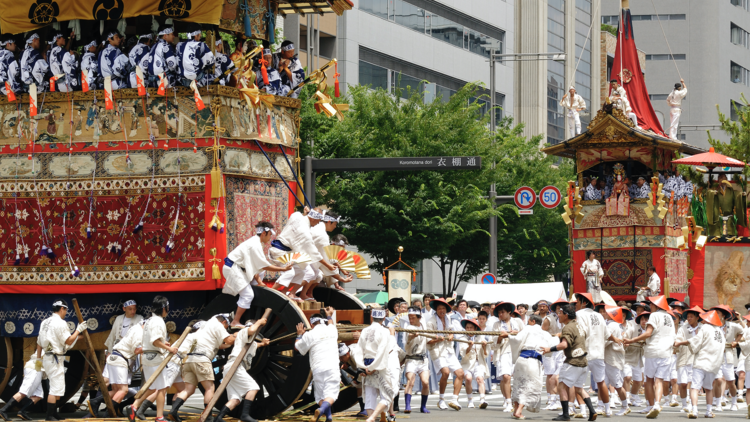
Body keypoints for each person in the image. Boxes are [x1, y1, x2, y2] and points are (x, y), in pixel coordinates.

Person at [223, 222, 293, 326]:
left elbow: (256, 266)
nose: (270, 238)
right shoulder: (254, 245)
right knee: (248, 295)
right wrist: (283, 269)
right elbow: (263, 265)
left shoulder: (255, 242)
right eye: (269, 235)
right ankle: (235, 321)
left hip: (238, 269)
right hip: (233, 268)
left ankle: (255, 287)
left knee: (260, 273)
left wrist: (260, 281)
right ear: (264, 233)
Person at [169, 314, 236, 422]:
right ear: (224, 322)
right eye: (226, 327)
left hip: (190, 360)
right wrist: (238, 335)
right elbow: (228, 340)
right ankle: (207, 416)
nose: (226, 329)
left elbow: (219, 345)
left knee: (188, 389)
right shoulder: (218, 325)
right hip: (202, 360)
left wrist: (229, 344)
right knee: (210, 388)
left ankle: (174, 410)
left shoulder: (205, 326)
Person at [541, 304, 597, 421]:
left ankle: (566, 414)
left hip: (572, 361)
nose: (559, 316)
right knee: (579, 388)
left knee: (562, 386)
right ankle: (592, 411)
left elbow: (564, 345)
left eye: (560, 313)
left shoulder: (567, 328)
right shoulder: (579, 325)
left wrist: (549, 349)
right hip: (583, 361)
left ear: (566, 315)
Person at [623, 295, 677, 418]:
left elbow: (648, 333)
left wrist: (632, 340)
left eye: (651, 304)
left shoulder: (654, 315)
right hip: (666, 353)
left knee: (649, 380)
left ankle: (649, 405)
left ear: (656, 305)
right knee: (659, 380)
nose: (650, 306)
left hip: (653, 351)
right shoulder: (670, 318)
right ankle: (657, 404)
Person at [126, 296, 177, 422]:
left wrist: (164, 344)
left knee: (152, 387)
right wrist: (169, 349)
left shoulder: (149, 320)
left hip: (148, 358)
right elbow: (154, 341)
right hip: (155, 358)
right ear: (164, 308)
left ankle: (134, 406)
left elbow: (153, 340)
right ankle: (159, 417)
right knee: (162, 388)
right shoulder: (158, 321)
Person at [268, 207, 336, 301]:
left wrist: (305, 214)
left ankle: (283, 293)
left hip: (288, 253)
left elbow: (296, 215)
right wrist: (328, 265)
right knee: (290, 272)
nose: (318, 223)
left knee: (302, 271)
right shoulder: (305, 233)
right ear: (313, 218)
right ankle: (271, 292)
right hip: (279, 252)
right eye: (318, 220)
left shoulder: (297, 216)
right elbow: (314, 253)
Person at [38, 300, 86, 421]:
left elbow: (39, 342)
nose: (65, 313)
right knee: (54, 389)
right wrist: (78, 330)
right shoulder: (60, 323)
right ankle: (49, 416)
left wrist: (38, 361)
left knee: (58, 387)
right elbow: (68, 341)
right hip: (54, 358)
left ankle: (54, 413)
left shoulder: (44, 322)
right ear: (62, 309)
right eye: (65, 310)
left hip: (47, 356)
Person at [214, 318, 270, 422]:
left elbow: (255, 345)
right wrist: (259, 322)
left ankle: (219, 418)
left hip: (232, 367)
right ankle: (245, 415)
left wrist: (263, 343)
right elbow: (251, 330)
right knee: (253, 388)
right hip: (236, 366)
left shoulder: (250, 342)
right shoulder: (243, 332)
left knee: (235, 399)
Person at [673, 310, 724, 419]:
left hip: (701, 361)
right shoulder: (720, 332)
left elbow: (696, 341)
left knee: (695, 387)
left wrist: (680, 343)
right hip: (713, 364)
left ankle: (695, 410)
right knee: (709, 388)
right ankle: (709, 411)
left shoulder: (705, 328)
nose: (703, 320)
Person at [90, 319, 144, 416]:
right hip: (120, 359)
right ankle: (107, 412)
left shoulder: (134, 328)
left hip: (115, 357)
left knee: (116, 390)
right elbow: (137, 350)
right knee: (124, 390)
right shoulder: (139, 331)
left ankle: (96, 402)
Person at [296, 307, 340, 422]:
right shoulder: (332, 330)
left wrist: (299, 335)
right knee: (332, 394)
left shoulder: (309, 334)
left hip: (318, 368)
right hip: (332, 367)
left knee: (320, 396)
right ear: (322, 321)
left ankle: (328, 417)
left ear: (312, 324)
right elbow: (331, 323)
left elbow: (297, 348)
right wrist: (329, 314)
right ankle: (321, 411)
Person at [298, 211, 353, 301]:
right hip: (299, 258)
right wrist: (342, 279)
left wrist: (341, 271)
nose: (335, 226)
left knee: (316, 274)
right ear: (328, 221)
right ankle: (291, 292)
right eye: (334, 224)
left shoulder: (318, 229)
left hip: (305, 258)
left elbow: (332, 261)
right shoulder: (323, 236)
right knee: (312, 273)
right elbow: (327, 262)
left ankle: (305, 293)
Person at [359, 308, 399, 422]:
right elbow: (387, 349)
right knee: (387, 394)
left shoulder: (364, 330)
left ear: (372, 317)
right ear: (384, 318)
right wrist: (392, 334)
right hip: (379, 365)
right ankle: (372, 417)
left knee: (370, 396)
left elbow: (359, 350)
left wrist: (364, 367)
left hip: (366, 364)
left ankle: (371, 417)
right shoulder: (385, 331)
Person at [509, 314, 552, 418]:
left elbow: (517, 340)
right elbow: (550, 349)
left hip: (521, 359)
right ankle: (518, 411)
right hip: (533, 361)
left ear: (532, 321)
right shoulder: (546, 334)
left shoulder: (527, 329)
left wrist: (509, 335)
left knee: (518, 384)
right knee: (529, 386)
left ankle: (516, 410)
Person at [575, 294, 611, 416]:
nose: (576, 304)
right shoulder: (599, 316)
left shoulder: (579, 314)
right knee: (601, 382)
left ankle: (583, 411)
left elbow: (581, 333)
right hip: (599, 353)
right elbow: (607, 334)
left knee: (577, 384)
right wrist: (616, 339)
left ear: (583, 302)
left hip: (584, 353)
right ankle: (607, 409)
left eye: (577, 301)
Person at [426, 297, 464, 411]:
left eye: (443, 308)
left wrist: (451, 335)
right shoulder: (431, 322)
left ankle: (454, 399)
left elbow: (451, 330)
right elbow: (427, 340)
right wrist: (437, 339)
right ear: (436, 310)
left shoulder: (448, 318)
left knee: (460, 373)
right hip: (437, 350)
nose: (441, 310)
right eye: (439, 308)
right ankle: (441, 399)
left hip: (448, 349)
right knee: (446, 372)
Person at [0, 344, 45, 421]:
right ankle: (3, 410)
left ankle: (22, 411)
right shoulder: (51, 343)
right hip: (35, 367)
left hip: (37, 367)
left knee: (39, 394)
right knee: (23, 392)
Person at [710, 305, 742, 412]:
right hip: (716, 356)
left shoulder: (732, 326)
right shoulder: (712, 326)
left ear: (723, 315)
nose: (716, 315)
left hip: (728, 356)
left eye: (718, 313)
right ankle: (718, 403)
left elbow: (742, 332)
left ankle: (734, 402)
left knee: (731, 382)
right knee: (718, 380)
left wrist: (736, 341)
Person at [491, 301, 521, 412]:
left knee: (515, 378)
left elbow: (523, 334)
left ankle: (512, 399)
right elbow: (494, 344)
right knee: (505, 377)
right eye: (499, 312)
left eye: (502, 312)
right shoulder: (496, 325)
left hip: (516, 351)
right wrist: (501, 337)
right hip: (503, 352)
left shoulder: (517, 322)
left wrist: (516, 333)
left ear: (509, 312)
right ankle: (508, 401)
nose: (500, 315)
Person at [601, 305, 630, 416]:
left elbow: (606, 339)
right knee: (603, 383)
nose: (603, 313)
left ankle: (625, 406)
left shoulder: (612, 325)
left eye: (605, 312)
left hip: (613, 358)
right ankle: (604, 407)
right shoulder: (612, 324)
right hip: (609, 357)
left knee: (617, 384)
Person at [402, 307, 431, 413]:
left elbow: (428, 339)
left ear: (419, 317)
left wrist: (437, 338)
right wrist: (412, 336)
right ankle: (407, 405)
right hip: (411, 359)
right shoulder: (408, 327)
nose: (411, 319)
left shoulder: (423, 325)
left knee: (425, 382)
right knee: (410, 381)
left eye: (413, 317)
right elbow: (408, 338)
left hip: (423, 359)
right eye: (409, 317)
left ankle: (423, 406)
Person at [675, 306, 701, 413]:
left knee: (691, 382)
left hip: (696, 359)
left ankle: (691, 403)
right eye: (688, 317)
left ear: (697, 318)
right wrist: (678, 343)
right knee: (683, 383)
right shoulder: (683, 328)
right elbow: (678, 339)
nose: (689, 319)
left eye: (691, 317)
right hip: (683, 357)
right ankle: (684, 404)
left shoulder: (702, 328)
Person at [458, 319, 489, 409]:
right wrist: (469, 346)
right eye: (467, 327)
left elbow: (485, 354)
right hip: (467, 363)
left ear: (475, 328)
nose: (469, 329)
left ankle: (482, 399)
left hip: (478, 362)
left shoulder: (480, 337)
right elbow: (462, 353)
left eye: (471, 327)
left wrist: (484, 346)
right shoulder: (462, 338)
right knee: (468, 378)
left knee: (480, 379)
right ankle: (470, 400)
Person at [543, 299, 566, 411]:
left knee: (559, 376)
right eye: (558, 308)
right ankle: (551, 399)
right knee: (550, 375)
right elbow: (542, 332)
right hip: (550, 349)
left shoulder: (568, 318)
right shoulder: (548, 319)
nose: (560, 309)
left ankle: (558, 399)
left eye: (562, 307)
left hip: (563, 349)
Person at [178, 23, 214, 87]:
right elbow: (211, 61)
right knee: (217, 79)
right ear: (196, 35)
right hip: (197, 80)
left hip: (183, 81)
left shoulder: (179, 45)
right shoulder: (201, 45)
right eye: (200, 34)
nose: (200, 36)